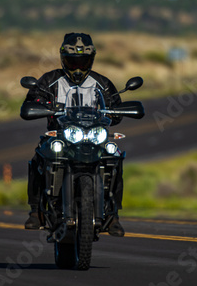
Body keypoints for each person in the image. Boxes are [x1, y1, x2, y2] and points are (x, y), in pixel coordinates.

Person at [22, 32, 126, 236]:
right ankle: (36, 211)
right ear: (63, 59)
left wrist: (115, 112)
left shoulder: (102, 83)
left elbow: (116, 108)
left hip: (94, 139)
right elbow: (30, 103)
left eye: (83, 61)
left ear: (91, 60)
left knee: (115, 158)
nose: (77, 68)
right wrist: (39, 105)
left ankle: (113, 215)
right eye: (72, 62)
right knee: (38, 158)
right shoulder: (49, 81)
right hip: (59, 137)